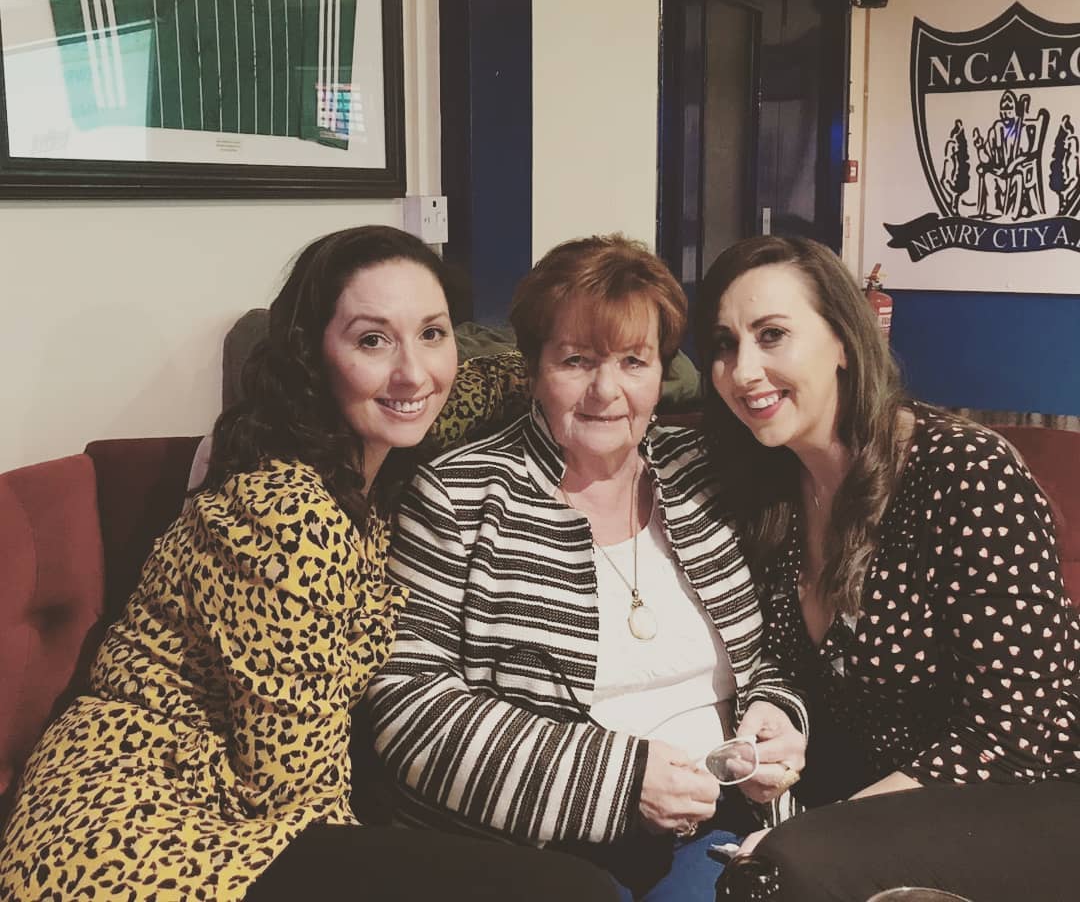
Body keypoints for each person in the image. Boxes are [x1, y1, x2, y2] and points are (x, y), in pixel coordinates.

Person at [0, 226, 621, 902]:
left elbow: (501, 379)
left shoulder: (382, 446)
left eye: (433, 333)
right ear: (312, 354)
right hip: (137, 832)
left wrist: (591, 364)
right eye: (372, 340)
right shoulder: (285, 516)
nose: (414, 372)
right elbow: (292, 787)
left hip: (227, 809)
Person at [368, 235, 808, 902]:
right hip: (537, 852)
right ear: (534, 368)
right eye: (577, 360)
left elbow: (771, 651)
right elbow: (409, 704)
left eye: (635, 361)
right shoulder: (459, 495)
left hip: (724, 826)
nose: (607, 391)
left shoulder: (707, 474)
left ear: (664, 372)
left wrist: (775, 716)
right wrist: (621, 782)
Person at [693, 234, 1080, 902]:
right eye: (725, 345)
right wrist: (771, 718)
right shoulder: (771, 486)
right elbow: (788, 666)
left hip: (1032, 796)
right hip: (872, 799)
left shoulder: (966, 473)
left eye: (772, 335)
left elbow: (1007, 739)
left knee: (788, 869)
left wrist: (831, 829)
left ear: (844, 340)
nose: (743, 369)